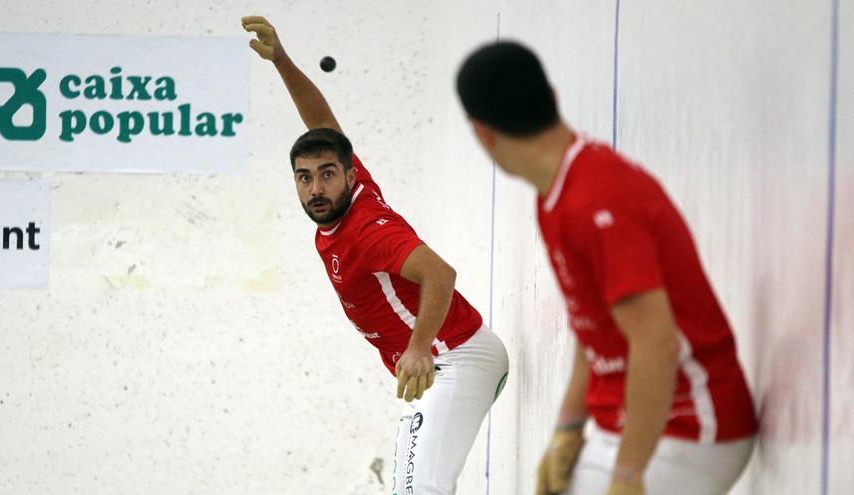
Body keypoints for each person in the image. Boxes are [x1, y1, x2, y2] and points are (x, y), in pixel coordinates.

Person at [455, 41, 758, 495]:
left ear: (482, 133)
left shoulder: (595, 199)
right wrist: (567, 430)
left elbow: (656, 343)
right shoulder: (555, 193)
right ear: (552, 98)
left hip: (693, 425)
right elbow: (593, 325)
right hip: (632, 422)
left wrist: (628, 475)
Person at [242, 15, 510, 494]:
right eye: (305, 177)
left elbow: (440, 274)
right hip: (446, 362)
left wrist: (418, 347)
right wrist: (281, 60)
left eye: (328, 174)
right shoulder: (352, 187)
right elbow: (320, 122)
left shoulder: (366, 231)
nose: (317, 187)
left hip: (454, 358)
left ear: (347, 177)